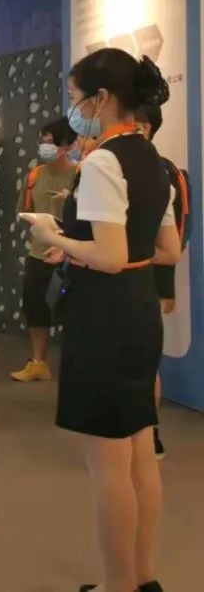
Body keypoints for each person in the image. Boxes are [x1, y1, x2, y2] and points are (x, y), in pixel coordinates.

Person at [22, 49, 178, 592]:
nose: (74, 109)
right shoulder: (154, 161)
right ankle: (142, 578)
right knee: (140, 455)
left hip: (104, 316)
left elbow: (109, 256)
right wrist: (78, 245)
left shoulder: (104, 162)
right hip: (138, 308)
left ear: (101, 98)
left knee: (110, 467)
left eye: (75, 97)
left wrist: (54, 235)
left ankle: (118, 585)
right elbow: (164, 249)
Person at [136, 104, 191, 462]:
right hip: (114, 282)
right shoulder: (112, 164)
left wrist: (165, 288)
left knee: (143, 363)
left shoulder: (163, 171)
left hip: (148, 280)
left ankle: (150, 434)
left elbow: (173, 237)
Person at [10, 118, 77, 382]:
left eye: (51, 142)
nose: (45, 147)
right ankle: (38, 362)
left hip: (74, 251)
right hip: (39, 251)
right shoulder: (35, 175)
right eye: (43, 141)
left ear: (67, 145)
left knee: (76, 305)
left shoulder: (80, 174)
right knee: (33, 302)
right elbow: (23, 209)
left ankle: (79, 364)